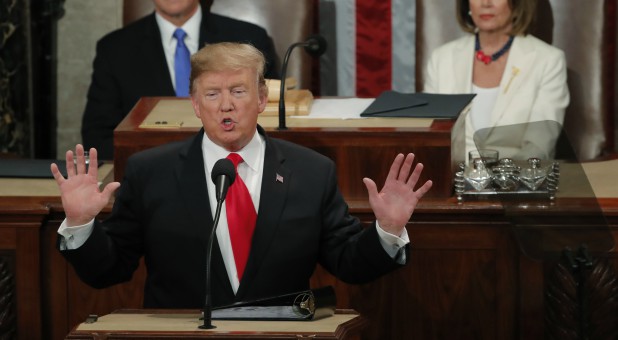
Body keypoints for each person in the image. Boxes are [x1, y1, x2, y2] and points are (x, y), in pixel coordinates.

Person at [51, 42, 433, 309]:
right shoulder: (152, 172)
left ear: (263, 99)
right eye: (213, 94)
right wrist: (82, 224)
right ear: (196, 105)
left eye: (238, 90)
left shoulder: (311, 172)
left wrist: (387, 231)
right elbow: (110, 269)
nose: (227, 105)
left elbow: (349, 262)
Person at [81, 0, 279, 160]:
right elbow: (98, 136)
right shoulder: (115, 49)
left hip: (235, 166)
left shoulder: (248, 38)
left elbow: (273, 119)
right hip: (153, 177)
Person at [424, 0, 569, 161]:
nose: (486, 3)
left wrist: (498, 182)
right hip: (451, 179)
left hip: (517, 181)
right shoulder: (441, 59)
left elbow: (538, 146)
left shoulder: (548, 60)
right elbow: (432, 139)